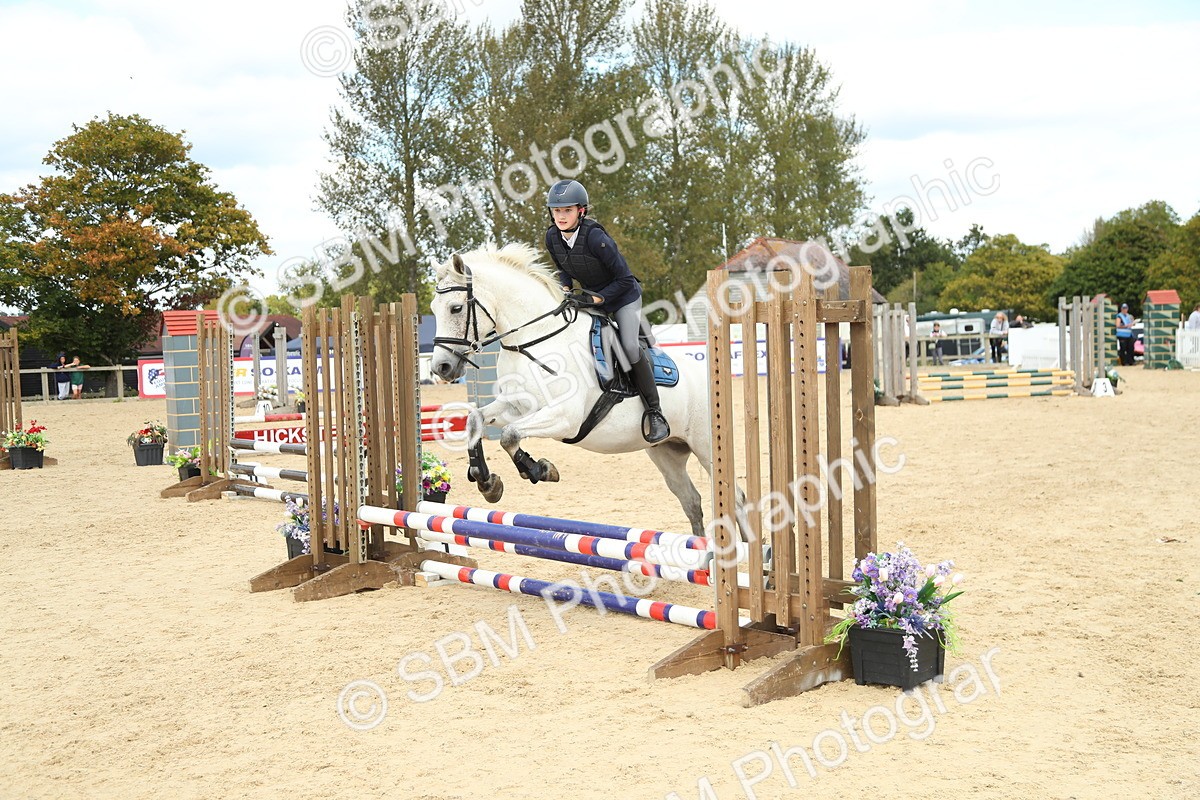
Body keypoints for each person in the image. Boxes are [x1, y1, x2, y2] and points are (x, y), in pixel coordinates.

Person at [543, 179, 668, 443]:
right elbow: (563, 268)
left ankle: (655, 413)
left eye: (567, 210)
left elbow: (625, 278)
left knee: (630, 347)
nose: (561, 216)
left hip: (623, 297)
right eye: (557, 211)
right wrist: (565, 287)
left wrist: (599, 299)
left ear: (581, 211)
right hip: (590, 298)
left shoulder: (597, 238)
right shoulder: (552, 237)